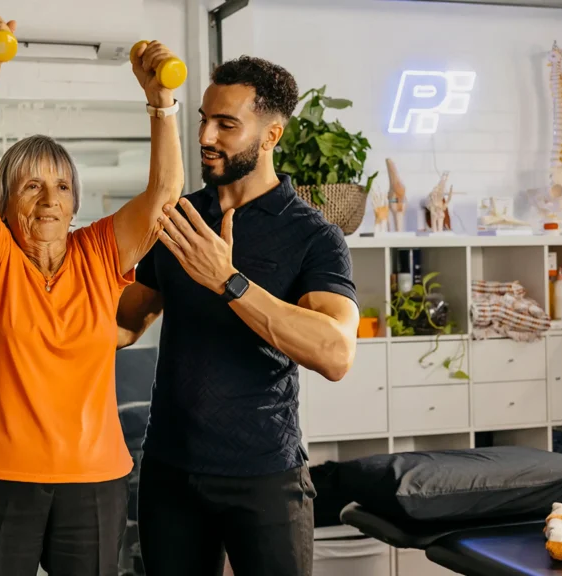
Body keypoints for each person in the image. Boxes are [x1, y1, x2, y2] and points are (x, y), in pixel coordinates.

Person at [0, 16, 183, 576]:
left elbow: (164, 195)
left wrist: (161, 102)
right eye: (32, 185)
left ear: (76, 204)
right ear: (8, 204)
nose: (50, 199)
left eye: (63, 187)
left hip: (94, 482)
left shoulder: (98, 251)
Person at [115, 56, 360, 576]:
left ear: (271, 135)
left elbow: (336, 353)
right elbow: (123, 324)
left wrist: (230, 282)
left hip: (265, 476)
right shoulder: (178, 217)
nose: (206, 134)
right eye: (204, 118)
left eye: (227, 124)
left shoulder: (312, 235)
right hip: (170, 472)